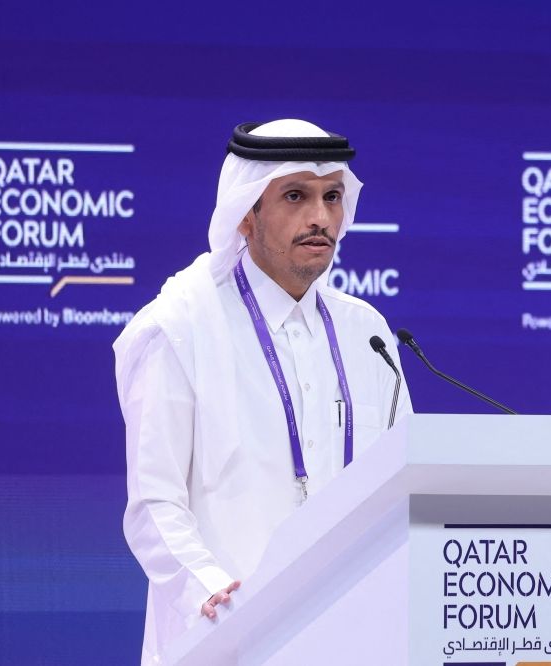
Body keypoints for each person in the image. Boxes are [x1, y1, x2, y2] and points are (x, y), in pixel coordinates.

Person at [113, 118, 412, 664]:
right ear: (246, 214)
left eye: (332, 197)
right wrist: (213, 594)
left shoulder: (366, 332)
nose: (320, 217)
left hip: (351, 639)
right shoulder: (180, 327)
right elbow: (154, 504)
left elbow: (402, 485)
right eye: (295, 196)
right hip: (221, 639)